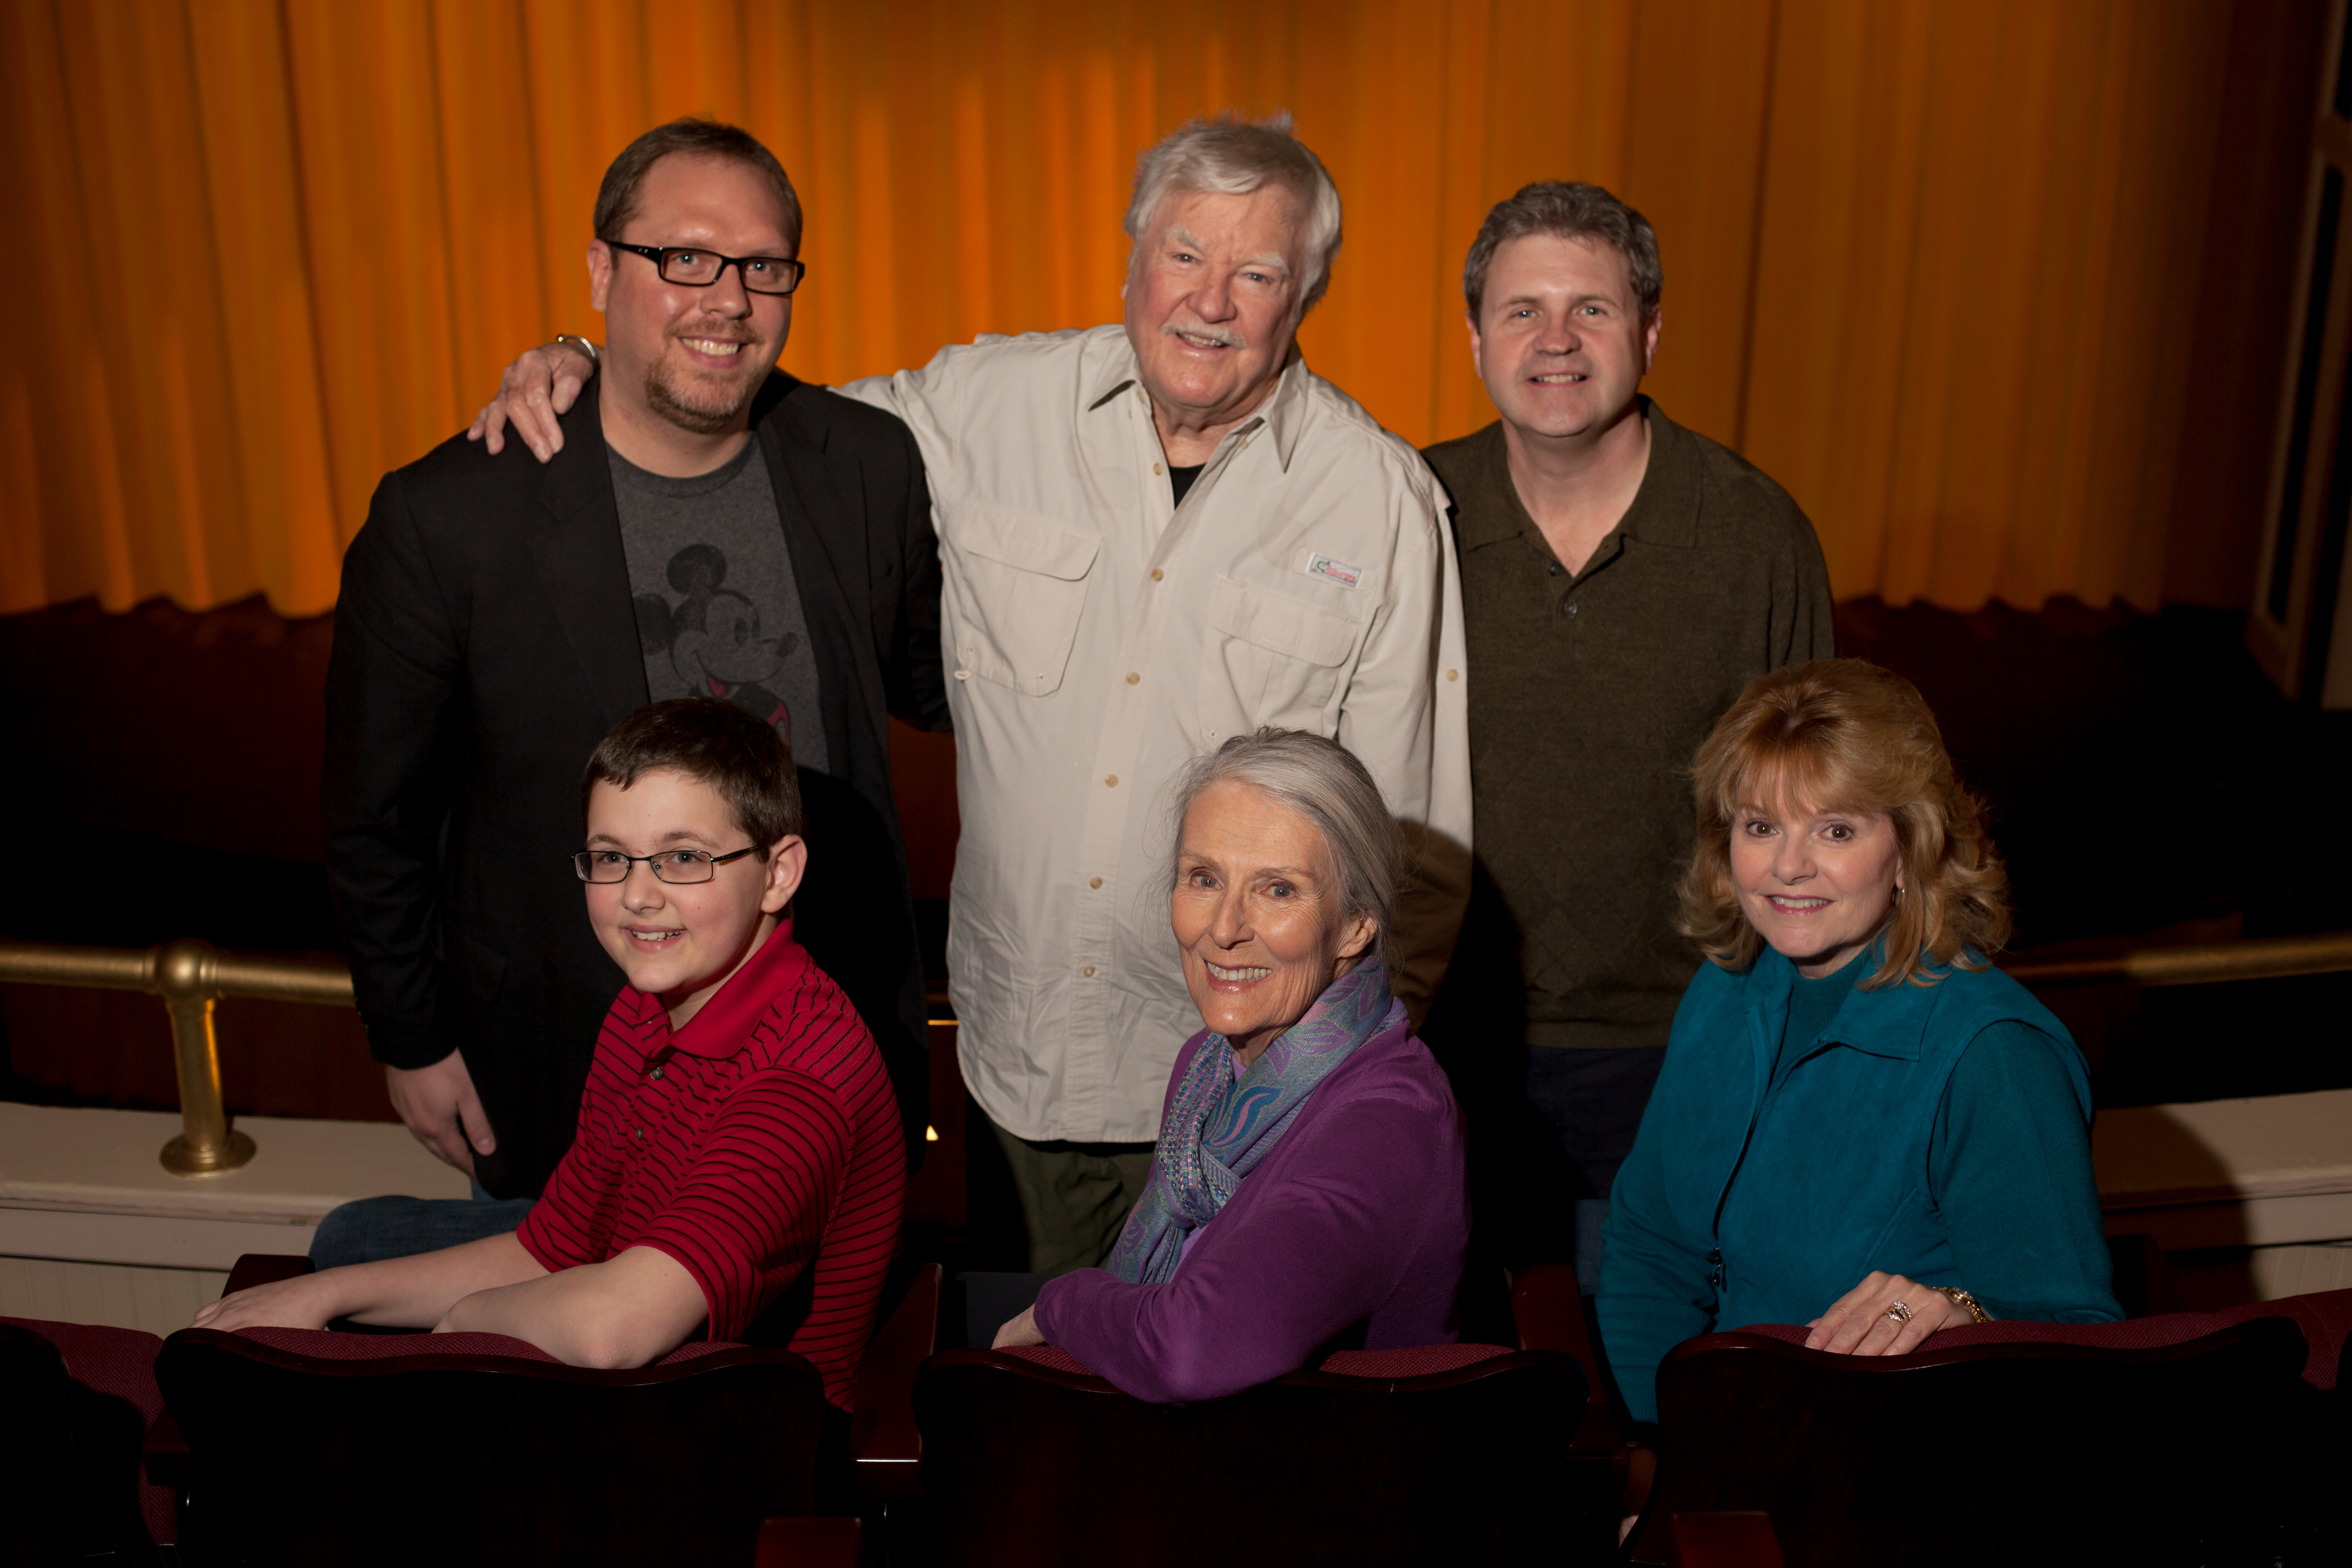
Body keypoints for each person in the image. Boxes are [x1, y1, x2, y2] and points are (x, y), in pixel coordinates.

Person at [472, 113, 1471, 1277]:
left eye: (1258, 273)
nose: (1212, 301)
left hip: (1256, 1092)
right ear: (1131, 261)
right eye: (1185, 254)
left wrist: (1343, 1101)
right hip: (1018, 1076)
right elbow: (740, 420)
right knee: (1028, 1420)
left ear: (1305, 296)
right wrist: (590, 362)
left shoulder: (1381, 502)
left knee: (1217, 1431)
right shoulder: (982, 406)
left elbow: (1420, 858)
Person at [323, 118, 946, 1256]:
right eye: (686, 260)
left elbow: (935, 682)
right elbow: (376, 816)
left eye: (763, 266)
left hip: (828, 1064)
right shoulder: (448, 517)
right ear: (604, 270)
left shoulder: (866, 460)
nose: (729, 299)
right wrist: (410, 1039)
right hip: (563, 1063)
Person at [203, 699, 905, 1405]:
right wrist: (316, 1298)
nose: (637, 896)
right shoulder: (646, 1003)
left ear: (780, 873)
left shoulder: (797, 1086)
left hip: (719, 1433)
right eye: (610, 858)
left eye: (683, 858)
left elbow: (613, 1330)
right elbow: (553, 1250)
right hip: (638, 1342)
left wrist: (461, 1327)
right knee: (342, 1248)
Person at [1418, 181, 1834, 1284]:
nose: (1556, 341)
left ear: (1650, 332)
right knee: (1464, 1398)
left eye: (1592, 310)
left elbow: (1820, 816)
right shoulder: (1406, 513)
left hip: (1679, 1053)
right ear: (1473, 337)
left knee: (1646, 1396)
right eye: (1522, 311)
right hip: (1438, 1051)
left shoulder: (1755, 535)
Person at [1597, 660, 2121, 1426]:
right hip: (1718, 1439)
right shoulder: (1727, 987)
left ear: (1909, 850)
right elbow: (1651, 1245)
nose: (1788, 866)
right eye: (1761, 825)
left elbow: (2079, 1350)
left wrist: (1964, 1312)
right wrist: (1657, 1452)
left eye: (1836, 829)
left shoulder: (1995, 1057)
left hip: (1886, 1470)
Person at [987, 729, 1468, 1403]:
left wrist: (1062, 1303)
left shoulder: (1391, 1120)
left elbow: (1193, 1348)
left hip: (1334, 1484)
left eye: (1278, 890)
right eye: (1204, 879)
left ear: (1357, 925)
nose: (1223, 927)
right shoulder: (1210, 1062)